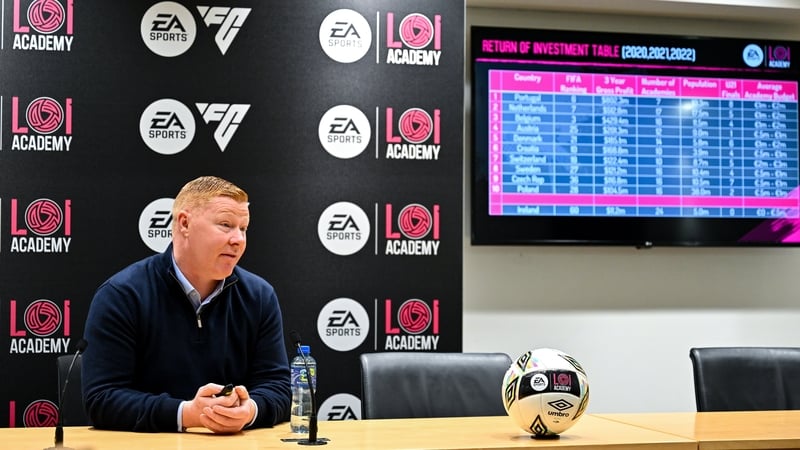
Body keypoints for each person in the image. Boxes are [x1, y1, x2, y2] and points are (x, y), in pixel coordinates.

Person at [82, 176, 291, 433]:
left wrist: (250, 411)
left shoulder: (259, 296)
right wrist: (187, 414)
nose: (238, 240)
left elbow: (279, 387)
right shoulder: (122, 294)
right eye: (226, 225)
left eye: (244, 228)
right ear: (184, 223)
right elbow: (102, 399)